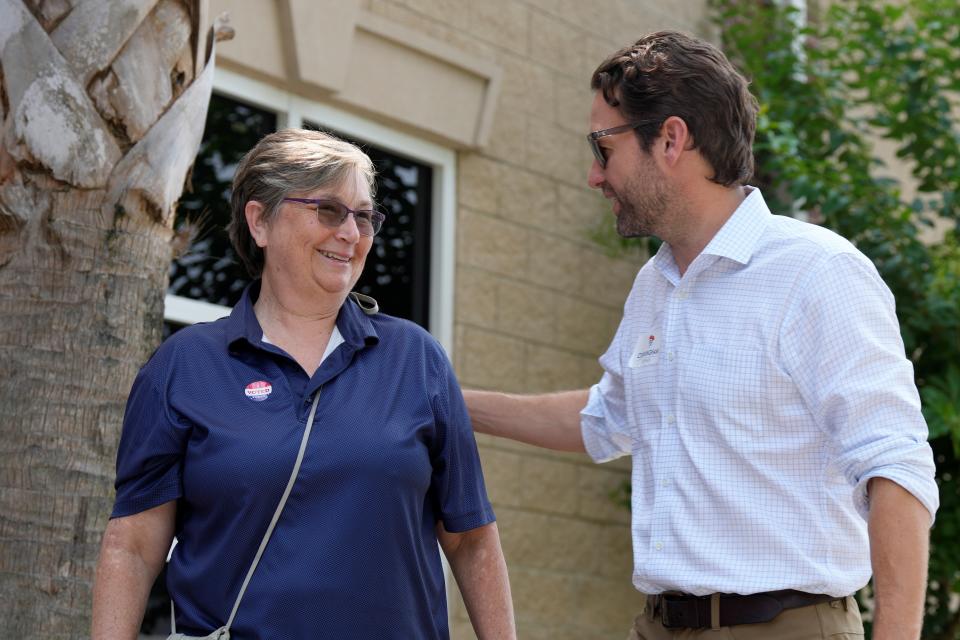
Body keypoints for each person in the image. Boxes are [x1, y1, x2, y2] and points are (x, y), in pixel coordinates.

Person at [464, 31, 938, 640]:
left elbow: (894, 464)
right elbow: (607, 418)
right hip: (658, 625)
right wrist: (449, 403)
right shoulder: (655, 285)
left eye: (602, 148)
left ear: (670, 139)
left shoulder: (818, 272)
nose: (592, 175)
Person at [91, 129, 515, 640]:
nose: (351, 233)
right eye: (329, 211)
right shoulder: (184, 367)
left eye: (364, 216)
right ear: (260, 221)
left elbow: (471, 540)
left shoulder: (416, 360)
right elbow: (134, 546)